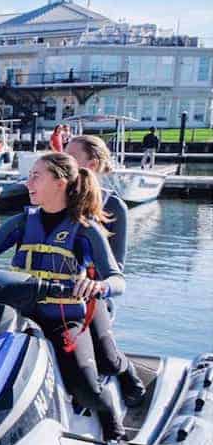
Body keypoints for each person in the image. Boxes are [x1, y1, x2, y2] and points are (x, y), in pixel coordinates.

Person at [0, 152, 128, 441]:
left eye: (36, 176)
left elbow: (117, 279)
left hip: (62, 319)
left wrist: (101, 287)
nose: (28, 183)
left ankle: (111, 420)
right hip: (19, 316)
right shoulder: (23, 221)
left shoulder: (86, 230)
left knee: (84, 387)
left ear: (60, 182)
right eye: (29, 176)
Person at [66, 134, 146, 405]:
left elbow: (116, 269)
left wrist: (94, 286)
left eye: (72, 157)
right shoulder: (56, 200)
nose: (66, 162)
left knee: (108, 362)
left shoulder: (114, 207)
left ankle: (127, 373)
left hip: (95, 295)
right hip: (57, 292)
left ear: (94, 162)